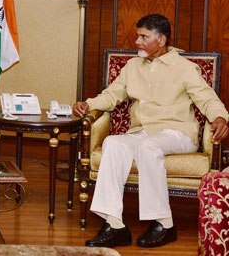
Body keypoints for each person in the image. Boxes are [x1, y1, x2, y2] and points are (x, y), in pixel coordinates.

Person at [73, 13, 229, 248]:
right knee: (113, 143)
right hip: (143, 132)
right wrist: (89, 104)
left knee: (148, 147)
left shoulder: (185, 68)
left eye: (144, 37)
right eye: (137, 36)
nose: (137, 42)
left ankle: (164, 224)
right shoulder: (132, 66)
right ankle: (115, 225)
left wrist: (220, 117)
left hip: (177, 133)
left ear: (161, 40)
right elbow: (112, 95)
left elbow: (207, 99)